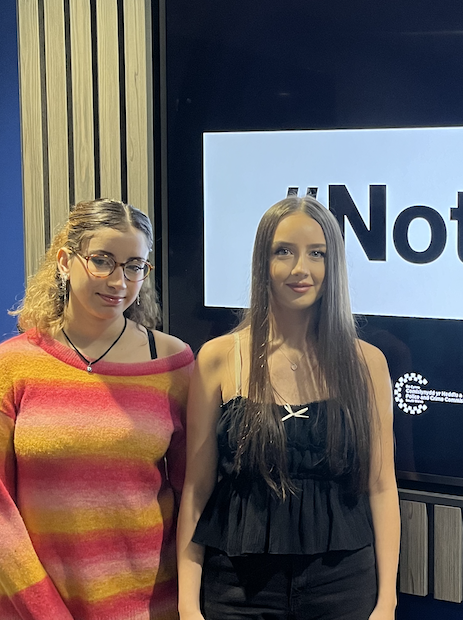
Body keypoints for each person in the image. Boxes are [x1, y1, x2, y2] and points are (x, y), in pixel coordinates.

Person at [177, 196, 399, 620]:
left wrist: (386, 600)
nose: (302, 268)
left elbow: (381, 486)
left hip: (343, 584)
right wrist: (188, 604)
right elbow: (197, 487)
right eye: (285, 251)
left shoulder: (367, 363)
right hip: (236, 587)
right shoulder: (219, 357)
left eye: (317, 253)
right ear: (264, 262)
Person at [0, 199, 193, 619]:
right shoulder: (13, 364)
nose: (119, 281)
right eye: (102, 261)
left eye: (134, 265)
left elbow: (191, 496)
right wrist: (43, 610)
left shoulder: (174, 364)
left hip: (152, 607)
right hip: (36, 608)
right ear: (65, 261)